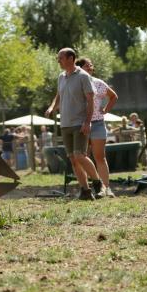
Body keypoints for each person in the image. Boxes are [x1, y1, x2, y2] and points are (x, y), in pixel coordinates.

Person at [45, 47, 98, 200]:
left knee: (79, 155)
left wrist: (87, 122)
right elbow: (58, 96)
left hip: (79, 122)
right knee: (73, 160)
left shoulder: (83, 76)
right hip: (65, 124)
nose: (58, 61)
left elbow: (90, 100)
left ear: (70, 58)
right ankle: (86, 191)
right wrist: (51, 107)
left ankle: (97, 182)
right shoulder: (61, 76)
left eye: (60, 58)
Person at [78, 57, 118, 197]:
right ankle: (87, 189)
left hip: (98, 123)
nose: (89, 67)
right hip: (80, 124)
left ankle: (106, 188)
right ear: (79, 68)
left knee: (100, 156)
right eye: (86, 65)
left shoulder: (99, 83)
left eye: (90, 65)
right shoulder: (76, 83)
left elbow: (113, 96)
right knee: (82, 156)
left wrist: (106, 109)